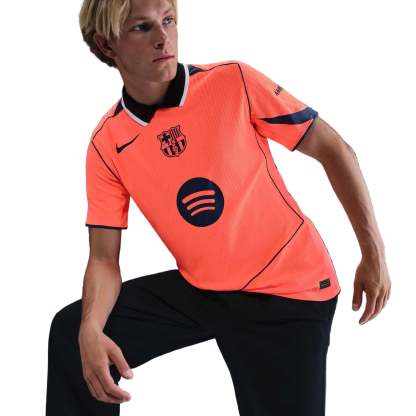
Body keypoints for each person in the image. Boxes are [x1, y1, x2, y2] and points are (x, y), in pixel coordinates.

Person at [45, 0, 392, 414]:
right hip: (204, 289)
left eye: (169, 21)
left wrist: (373, 254)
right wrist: (90, 328)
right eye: (142, 27)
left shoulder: (234, 82)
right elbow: (104, 259)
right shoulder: (108, 142)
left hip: (287, 290)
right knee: (74, 335)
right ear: (106, 44)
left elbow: (335, 150)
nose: (163, 38)